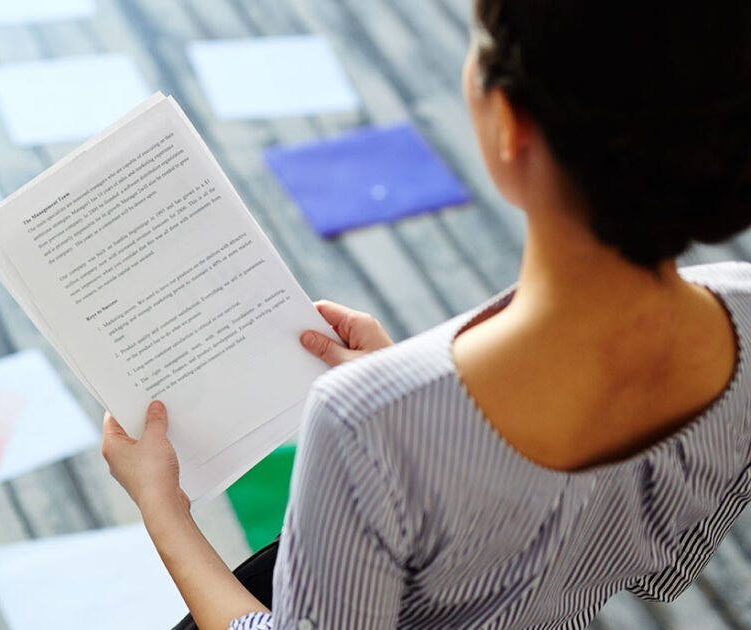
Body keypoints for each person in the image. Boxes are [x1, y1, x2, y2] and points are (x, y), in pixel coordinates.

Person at [101, 1, 751, 628]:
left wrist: (164, 511)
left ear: (509, 120)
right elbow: (660, 564)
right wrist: (408, 395)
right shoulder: (744, 312)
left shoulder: (363, 423)